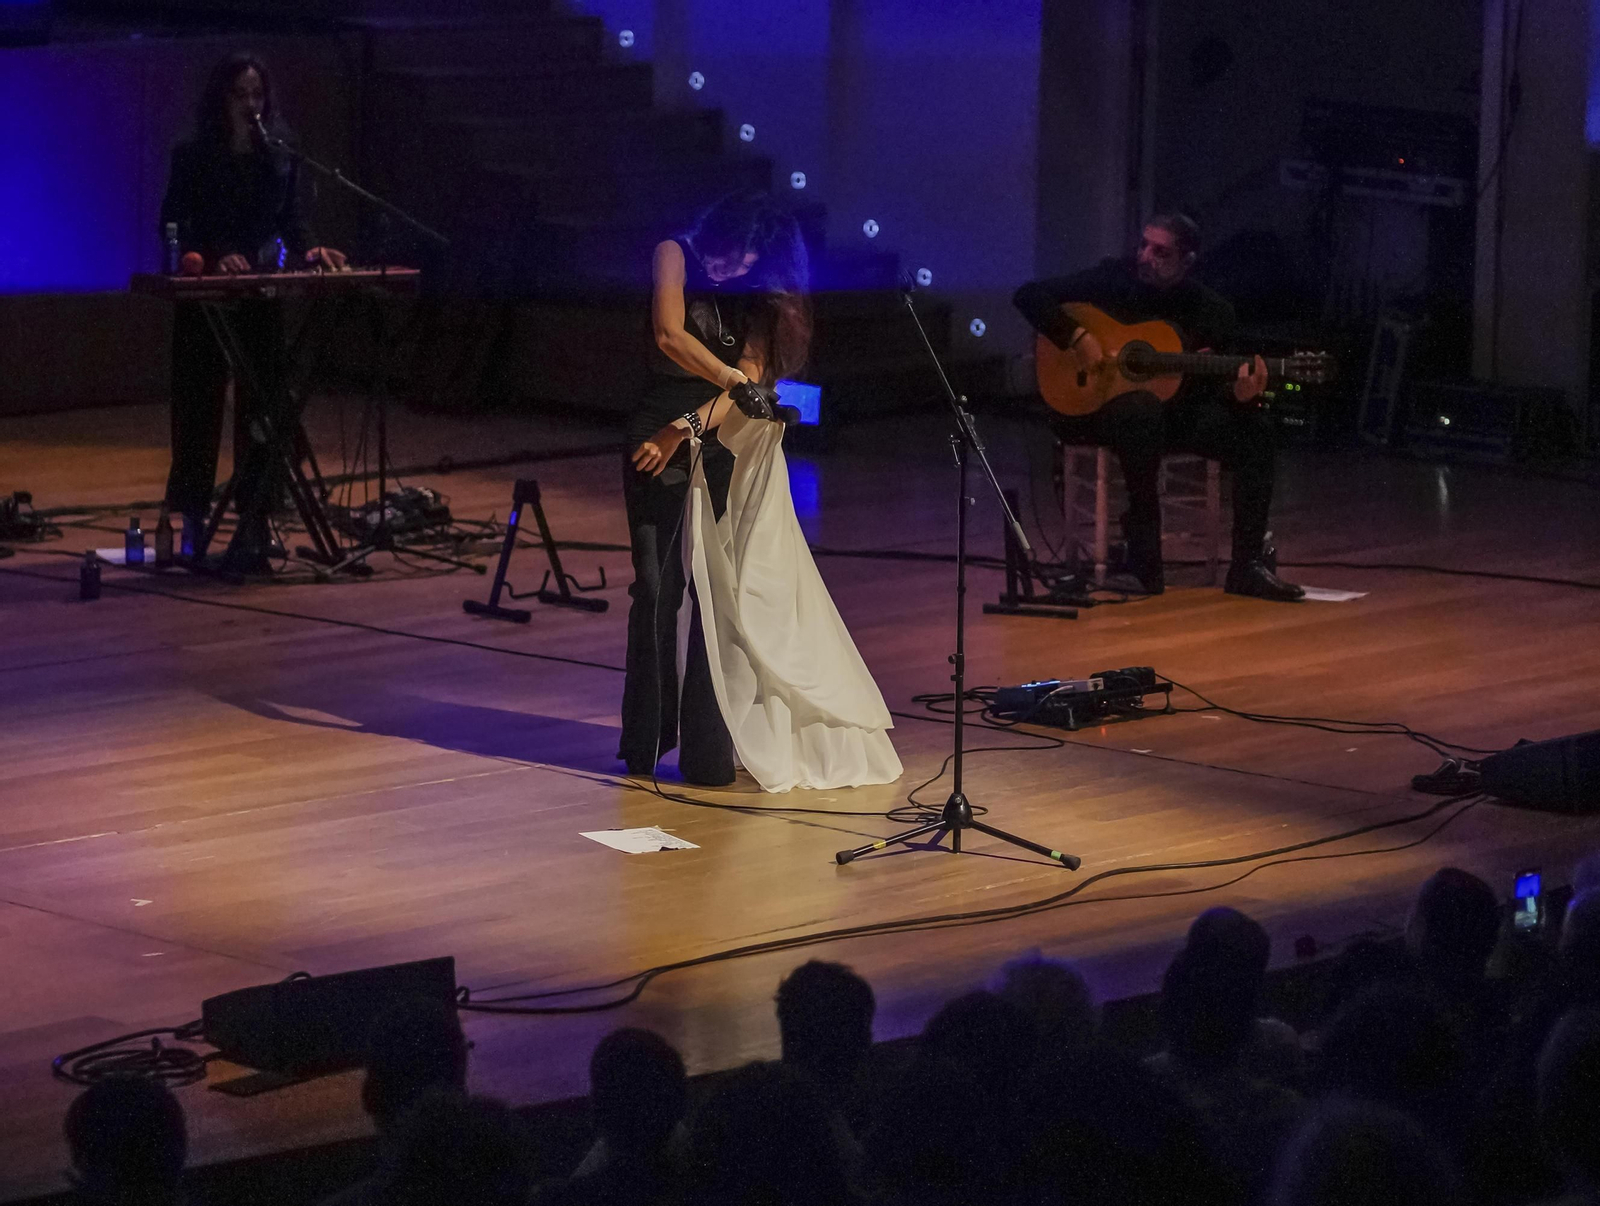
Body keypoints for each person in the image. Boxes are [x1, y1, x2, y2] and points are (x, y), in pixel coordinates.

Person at [622, 190, 901, 792]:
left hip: (718, 437)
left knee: (718, 593)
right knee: (655, 587)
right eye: (729, 256)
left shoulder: (758, 302)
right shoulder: (674, 253)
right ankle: (644, 739)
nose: (731, 270)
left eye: (747, 264)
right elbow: (670, 335)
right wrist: (716, 390)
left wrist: (688, 426)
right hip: (655, 433)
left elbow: (747, 391)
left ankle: (708, 749)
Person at [1013, 214, 1304, 602]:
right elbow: (1028, 295)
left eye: (1161, 252)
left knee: (1256, 429)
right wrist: (1077, 337)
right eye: (1144, 245)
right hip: (1094, 409)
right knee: (1141, 409)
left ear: (1187, 261)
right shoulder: (1113, 278)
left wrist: (1241, 393)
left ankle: (1247, 567)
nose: (1145, 257)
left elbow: (1217, 388)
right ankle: (1143, 562)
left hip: (1174, 416)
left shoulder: (1210, 310)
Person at [159, 52, 347, 573]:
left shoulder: (279, 149)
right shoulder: (194, 151)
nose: (250, 104)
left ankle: (255, 519)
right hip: (208, 292)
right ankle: (193, 516)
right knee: (199, 401)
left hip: (260, 290)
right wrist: (215, 255)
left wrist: (309, 248)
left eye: (257, 94)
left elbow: (290, 218)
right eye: (240, 94)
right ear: (221, 99)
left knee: (263, 403)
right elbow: (175, 220)